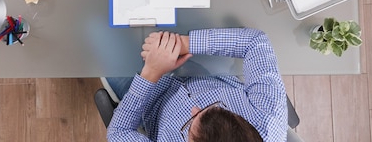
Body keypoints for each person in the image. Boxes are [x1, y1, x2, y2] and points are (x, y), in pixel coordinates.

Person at [106, 28, 288, 141]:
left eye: (189, 126)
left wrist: (151, 72)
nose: (194, 108)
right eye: (217, 108)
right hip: (204, 70)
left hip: (149, 97)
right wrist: (184, 44)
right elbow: (256, 42)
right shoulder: (268, 118)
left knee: (96, 32)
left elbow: (118, 132)